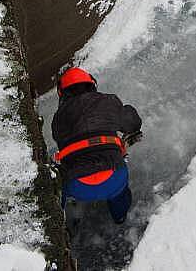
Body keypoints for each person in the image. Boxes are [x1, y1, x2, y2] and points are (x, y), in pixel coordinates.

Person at [51, 67, 142, 224]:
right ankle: (119, 216)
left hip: (77, 186)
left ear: (62, 93)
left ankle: (62, 223)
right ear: (92, 84)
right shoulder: (109, 101)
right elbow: (133, 123)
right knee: (119, 193)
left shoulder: (58, 119)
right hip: (113, 178)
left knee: (60, 186)